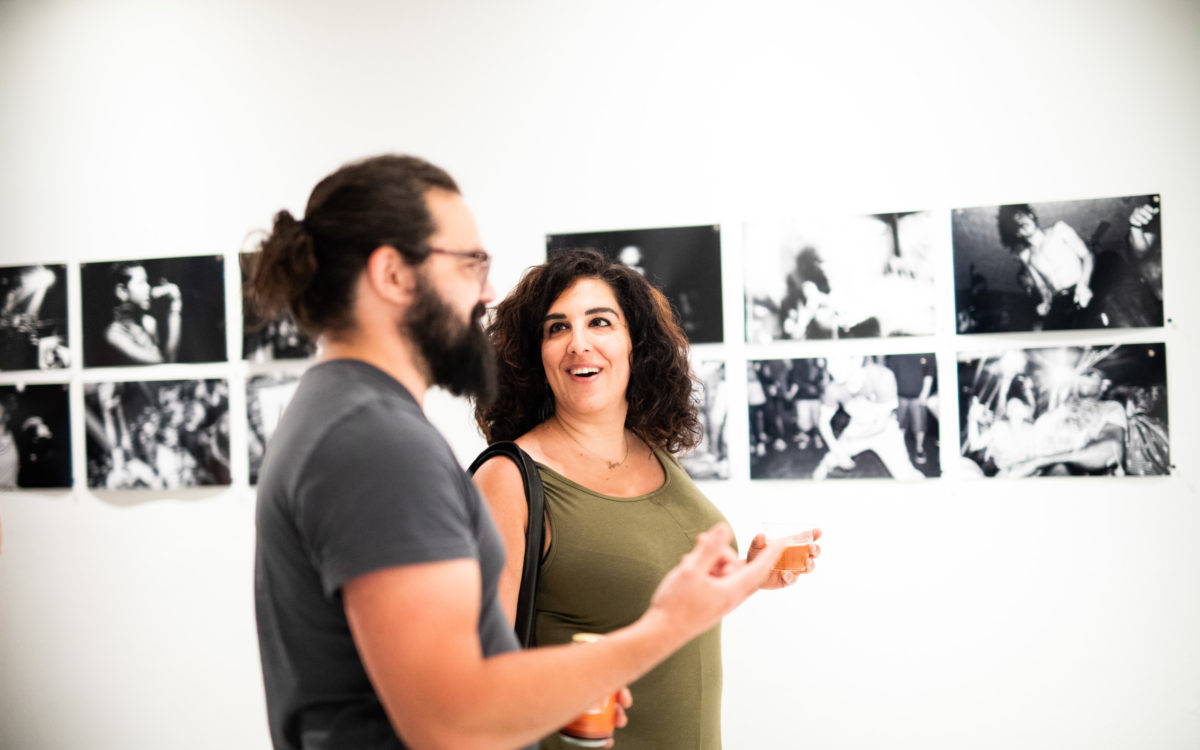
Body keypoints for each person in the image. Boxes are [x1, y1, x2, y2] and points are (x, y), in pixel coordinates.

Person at [248, 154, 793, 750]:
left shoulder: (343, 414)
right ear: (394, 275)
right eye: (469, 264)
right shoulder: (375, 441)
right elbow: (453, 720)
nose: (485, 292)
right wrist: (661, 629)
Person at [472, 248, 820, 749]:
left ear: (635, 342)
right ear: (535, 355)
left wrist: (750, 574)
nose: (579, 344)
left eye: (600, 322)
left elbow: (653, 603)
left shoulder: (653, 451)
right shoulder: (508, 479)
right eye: (557, 328)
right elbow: (480, 684)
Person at [812, 356, 922, 480]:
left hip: (885, 430)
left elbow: (880, 425)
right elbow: (823, 422)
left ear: (857, 360)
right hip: (858, 426)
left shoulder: (882, 376)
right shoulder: (833, 388)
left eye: (837, 360)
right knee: (825, 466)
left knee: (907, 476)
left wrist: (849, 441)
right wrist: (837, 449)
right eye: (829, 361)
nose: (830, 368)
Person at [104, 262, 182, 364]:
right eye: (141, 282)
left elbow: (170, 360)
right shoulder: (114, 334)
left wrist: (175, 305)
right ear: (122, 291)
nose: (148, 287)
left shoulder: (148, 323)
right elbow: (161, 364)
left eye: (147, 281)